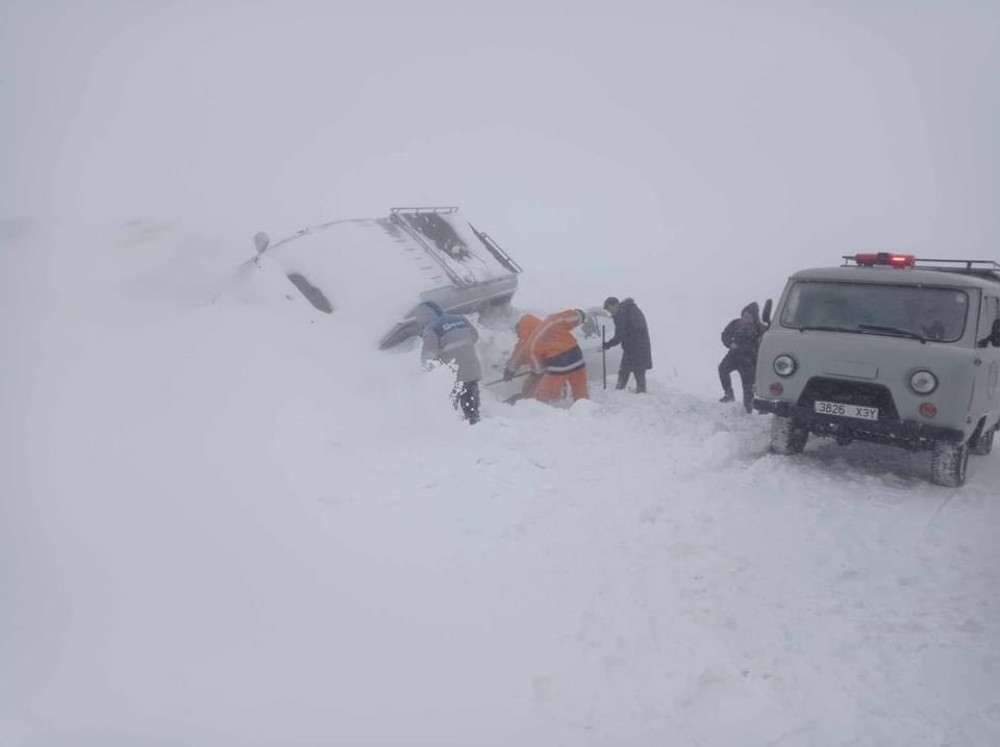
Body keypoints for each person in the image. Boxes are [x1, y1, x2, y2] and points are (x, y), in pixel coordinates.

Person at [412, 301, 482, 424]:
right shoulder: (460, 319)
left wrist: (421, 376)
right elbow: (475, 336)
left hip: (454, 377)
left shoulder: (432, 328)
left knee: (449, 410)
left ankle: (453, 434)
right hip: (472, 370)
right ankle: (476, 426)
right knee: (471, 408)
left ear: (423, 318)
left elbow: (428, 358)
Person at [503, 309, 589, 404]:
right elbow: (563, 318)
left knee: (541, 396)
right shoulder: (549, 324)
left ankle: (540, 410)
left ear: (521, 330)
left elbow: (538, 370)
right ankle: (584, 409)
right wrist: (579, 315)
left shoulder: (530, 345)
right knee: (580, 391)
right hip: (576, 357)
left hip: (559, 363)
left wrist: (510, 370)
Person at [718, 302, 768, 413]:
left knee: (748, 386)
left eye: (750, 317)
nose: (747, 319)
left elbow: (767, 343)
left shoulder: (760, 329)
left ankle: (748, 410)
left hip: (749, 361)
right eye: (745, 316)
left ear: (755, 318)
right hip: (733, 356)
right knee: (722, 369)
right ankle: (728, 393)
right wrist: (730, 343)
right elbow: (724, 335)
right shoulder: (735, 324)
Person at [601, 296, 652, 393]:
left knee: (636, 371)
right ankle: (630, 391)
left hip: (636, 347)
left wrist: (608, 344)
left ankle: (631, 392)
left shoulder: (622, 314)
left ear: (615, 305)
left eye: (609, 308)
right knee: (629, 370)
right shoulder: (630, 310)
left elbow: (620, 335)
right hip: (637, 346)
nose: (609, 311)